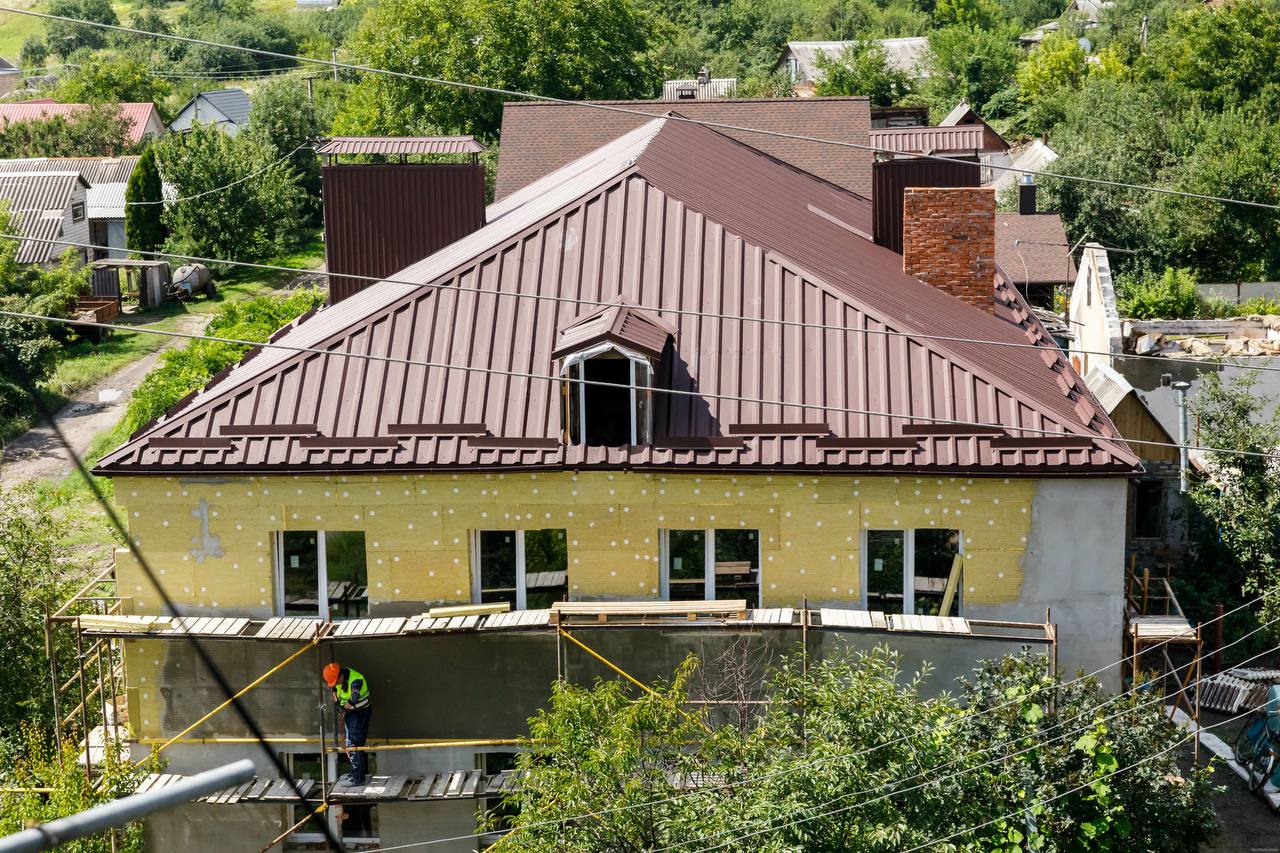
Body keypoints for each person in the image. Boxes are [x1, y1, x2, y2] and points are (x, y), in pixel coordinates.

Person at [323, 661, 372, 786]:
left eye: (337, 681)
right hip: (350, 711)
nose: (337, 684)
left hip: (360, 712)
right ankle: (356, 772)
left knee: (353, 744)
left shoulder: (356, 680)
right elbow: (333, 689)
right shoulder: (338, 679)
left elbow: (355, 698)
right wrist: (336, 703)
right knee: (354, 743)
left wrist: (343, 708)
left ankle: (358, 778)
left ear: (341, 676)